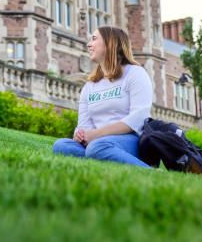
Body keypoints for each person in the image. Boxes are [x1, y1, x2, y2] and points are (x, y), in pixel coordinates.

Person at [52, 26, 153, 168]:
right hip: (98, 143)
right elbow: (84, 125)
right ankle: (104, 159)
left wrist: (97, 135)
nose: (88, 44)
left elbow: (138, 118)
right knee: (61, 146)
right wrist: (81, 134)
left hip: (132, 141)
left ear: (109, 43)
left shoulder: (135, 73)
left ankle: (149, 171)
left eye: (94, 39)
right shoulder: (89, 87)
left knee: (96, 147)